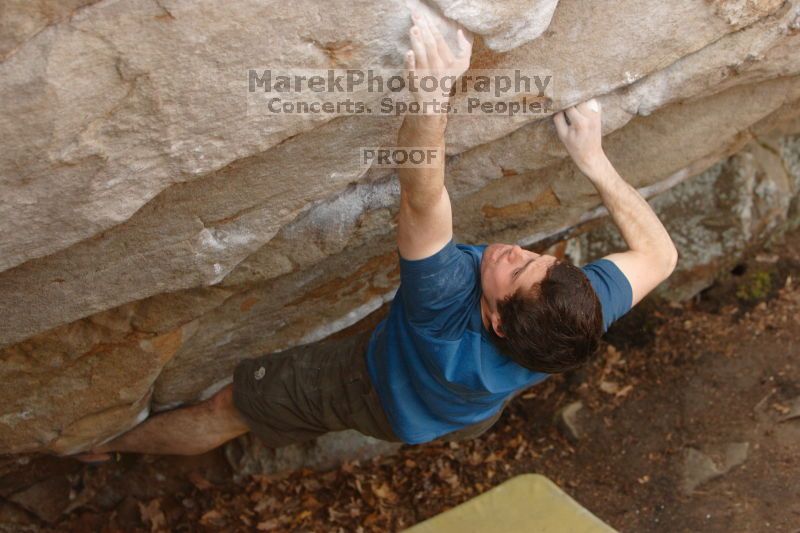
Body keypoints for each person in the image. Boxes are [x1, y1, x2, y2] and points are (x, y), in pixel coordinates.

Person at [77, 12, 676, 461]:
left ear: (495, 320)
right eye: (540, 260)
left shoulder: (440, 308)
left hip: (374, 392)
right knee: (469, 413)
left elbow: (422, 194)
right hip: (464, 412)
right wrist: (594, 160)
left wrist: (431, 94)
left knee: (227, 409)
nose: (520, 253)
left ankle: (111, 447)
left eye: (516, 272)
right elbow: (660, 254)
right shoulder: (566, 321)